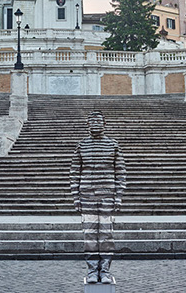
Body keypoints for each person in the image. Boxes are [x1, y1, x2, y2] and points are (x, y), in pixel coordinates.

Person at [70, 111, 126, 284]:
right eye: (92, 121)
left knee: (106, 235)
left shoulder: (113, 145)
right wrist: (76, 197)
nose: (95, 124)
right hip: (86, 196)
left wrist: (118, 196)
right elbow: (75, 172)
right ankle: (93, 270)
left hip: (107, 196)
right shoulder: (81, 145)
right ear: (87, 125)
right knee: (89, 236)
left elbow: (120, 172)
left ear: (104, 123)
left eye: (98, 121)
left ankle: (106, 271)